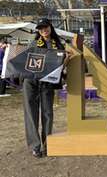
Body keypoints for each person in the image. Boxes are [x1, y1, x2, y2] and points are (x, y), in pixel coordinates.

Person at [23, 18, 66, 158]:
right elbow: (25, 60)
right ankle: (35, 146)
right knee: (31, 113)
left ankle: (48, 144)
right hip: (31, 81)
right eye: (40, 28)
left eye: (45, 27)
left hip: (47, 83)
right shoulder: (34, 43)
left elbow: (61, 64)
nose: (43, 30)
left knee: (47, 113)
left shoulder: (58, 44)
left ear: (50, 27)